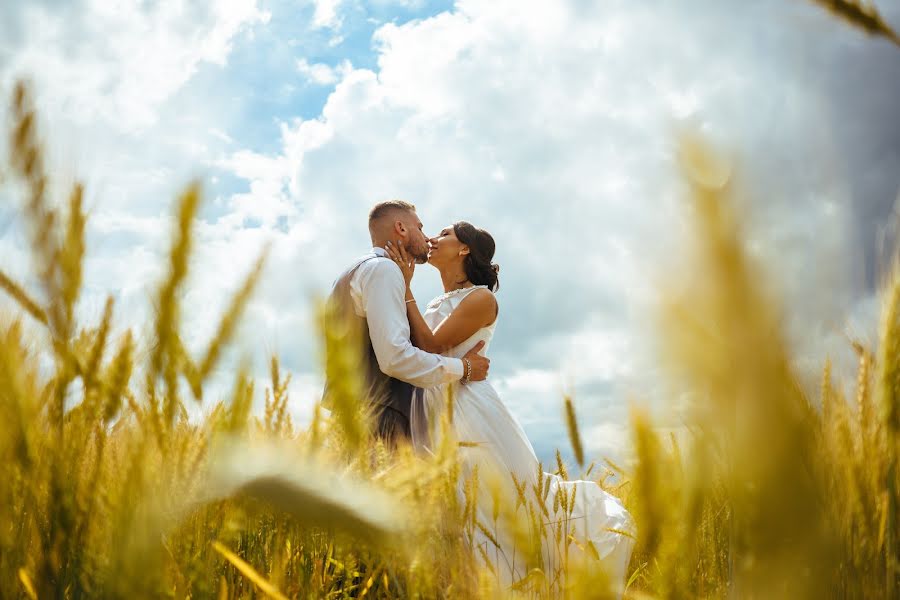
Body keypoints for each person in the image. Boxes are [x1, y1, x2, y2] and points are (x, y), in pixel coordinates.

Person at [385, 222, 635, 594]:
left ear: (465, 249)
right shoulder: (437, 302)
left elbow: (433, 346)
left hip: (468, 411)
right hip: (432, 404)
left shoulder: (482, 299)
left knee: (490, 510)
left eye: (445, 234)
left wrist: (404, 287)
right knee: (453, 513)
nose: (433, 240)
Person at [321, 201, 491, 447]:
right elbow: (395, 358)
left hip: (353, 411)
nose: (426, 237)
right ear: (401, 228)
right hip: (380, 415)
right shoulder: (384, 271)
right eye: (420, 228)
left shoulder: (351, 272)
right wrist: (464, 368)